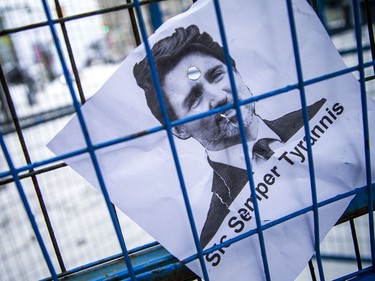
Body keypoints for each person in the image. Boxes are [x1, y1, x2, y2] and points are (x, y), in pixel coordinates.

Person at [133, 24, 326, 249]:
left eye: (216, 76)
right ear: (178, 129)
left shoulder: (322, 115)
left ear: (236, 72)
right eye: (194, 99)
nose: (218, 97)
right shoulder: (217, 235)